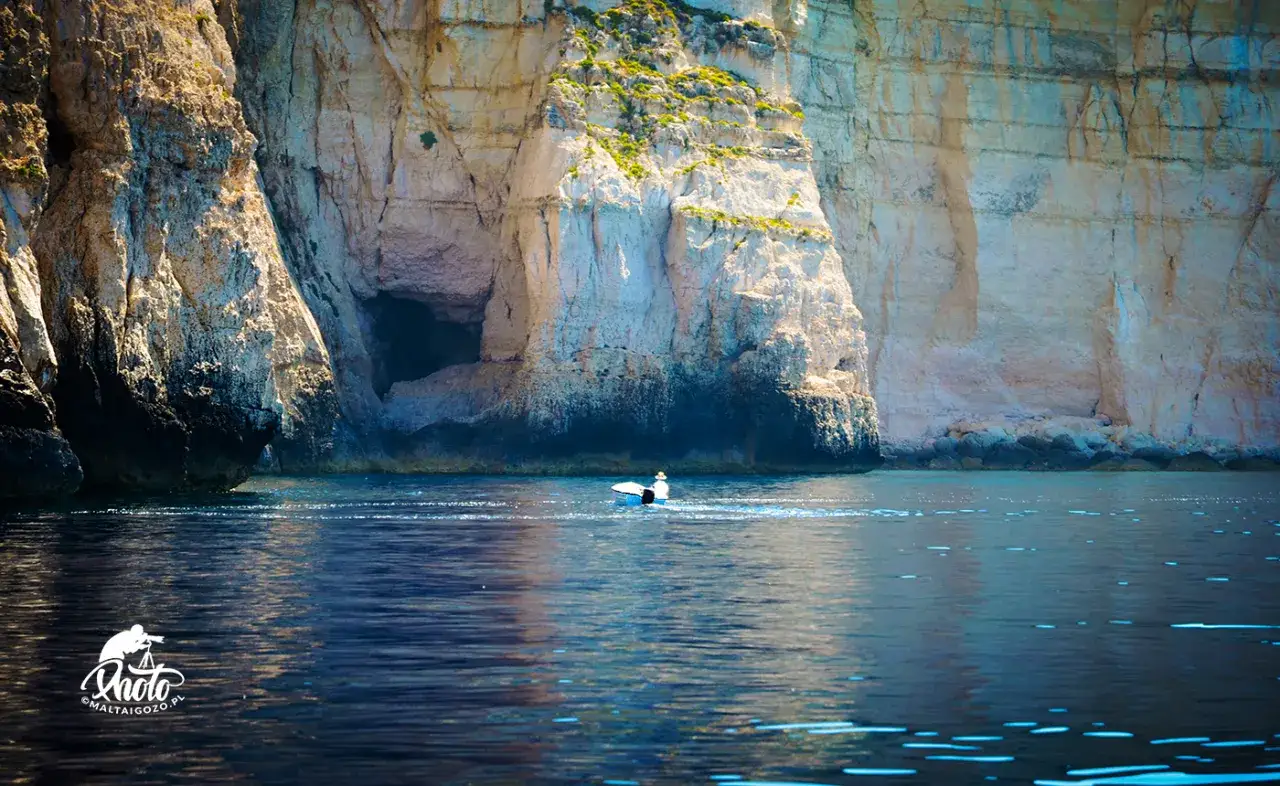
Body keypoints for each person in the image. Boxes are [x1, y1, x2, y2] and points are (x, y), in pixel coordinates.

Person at [99, 624, 164, 663]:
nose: (141, 635)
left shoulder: (127, 634)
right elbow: (130, 650)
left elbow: (133, 647)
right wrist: (141, 641)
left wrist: (142, 644)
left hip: (111, 657)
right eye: (141, 633)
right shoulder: (127, 636)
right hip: (110, 657)